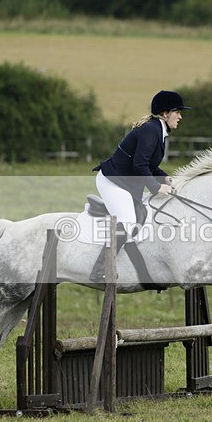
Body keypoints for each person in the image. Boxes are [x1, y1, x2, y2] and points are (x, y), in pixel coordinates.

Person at [89, 90, 191, 282]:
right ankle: (99, 269)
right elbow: (139, 165)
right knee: (128, 220)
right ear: (165, 113)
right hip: (113, 181)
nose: (180, 116)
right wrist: (156, 187)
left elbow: (150, 166)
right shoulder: (151, 130)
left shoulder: (158, 130)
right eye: (177, 112)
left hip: (126, 182)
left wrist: (165, 178)